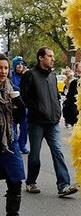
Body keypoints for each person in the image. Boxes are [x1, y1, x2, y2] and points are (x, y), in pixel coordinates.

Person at [20, 47, 79, 197]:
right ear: (41, 58)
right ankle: (31, 182)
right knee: (34, 154)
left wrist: (58, 112)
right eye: (50, 56)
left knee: (58, 152)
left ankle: (63, 186)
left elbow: (56, 97)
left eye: (53, 56)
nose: (53, 59)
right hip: (37, 122)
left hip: (53, 122)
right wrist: (37, 109)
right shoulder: (30, 75)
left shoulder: (53, 75)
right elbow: (24, 97)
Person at [0, 53, 26, 216]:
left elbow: (19, 118)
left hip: (9, 140)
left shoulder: (13, 89)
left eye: (5, 68)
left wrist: (19, 104)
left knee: (15, 180)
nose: (2, 71)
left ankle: (12, 213)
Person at [10, 56, 30, 154]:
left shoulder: (26, 75)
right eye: (18, 64)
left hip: (24, 106)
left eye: (21, 64)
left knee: (24, 128)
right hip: (13, 106)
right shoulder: (10, 75)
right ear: (14, 65)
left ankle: (22, 146)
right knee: (13, 128)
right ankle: (15, 145)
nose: (20, 66)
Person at [62, 62, 81, 127]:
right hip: (74, 102)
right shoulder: (73, 78)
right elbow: (70, 93)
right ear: (76, 69)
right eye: (80, 67)